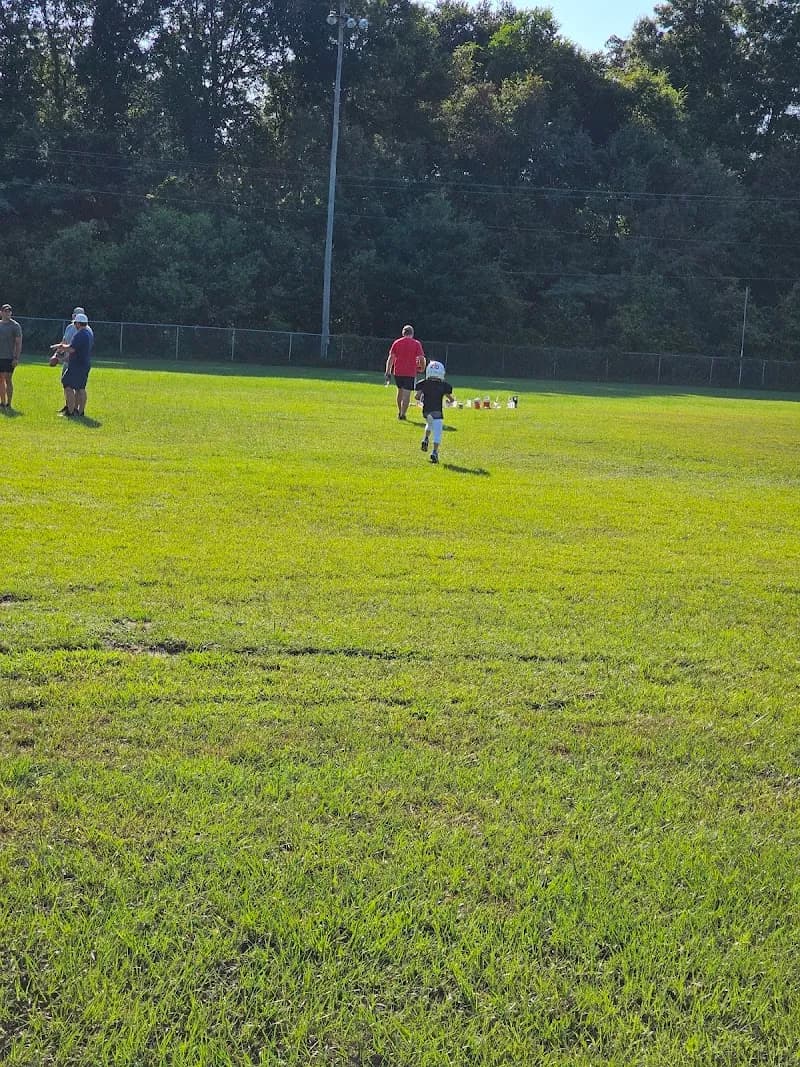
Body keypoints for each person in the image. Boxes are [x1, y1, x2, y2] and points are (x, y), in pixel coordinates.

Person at [51, 307, 92, 414]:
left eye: (76, 323)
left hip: (77, 364)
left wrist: (59, 348)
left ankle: (71, 411)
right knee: (80, 387)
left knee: (67, 384)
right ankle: (79, 412)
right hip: (83, 363)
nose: (74, 324)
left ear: (79, 323)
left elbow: (72, 349)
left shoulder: (80, 334)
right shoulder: (87, 332)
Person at [415, 360, 454, 465]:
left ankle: (426, 439)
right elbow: (451, 399)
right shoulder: (443, 385)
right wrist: (449, 402)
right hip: (437, 411)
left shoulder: (424, 383)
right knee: (438, 431)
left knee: (429, 423)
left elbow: (417, 397)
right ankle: (435, 452)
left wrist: (422, 397)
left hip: (426, 411)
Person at [385, 324, 426, 420]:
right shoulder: (416, 343)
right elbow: (421, 358)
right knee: (407, 394)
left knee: (400, 391)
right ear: (412, 333)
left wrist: (388, 371)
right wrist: (423, 368)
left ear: (403, 333)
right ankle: (403, 414)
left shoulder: (397, 342)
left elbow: (391, 358)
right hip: (410, 372)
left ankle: (399, 411)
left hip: (398, 371)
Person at [0, 303, 22, 411]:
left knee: (8, 379)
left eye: (9, 311)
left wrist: (16, 358)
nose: (7, 313)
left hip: (9, 357)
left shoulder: (15, 326)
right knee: (0, 379)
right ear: (1, 312)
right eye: (5, 311)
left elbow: (18, 343)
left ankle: (9, 403)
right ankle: (2, 403)